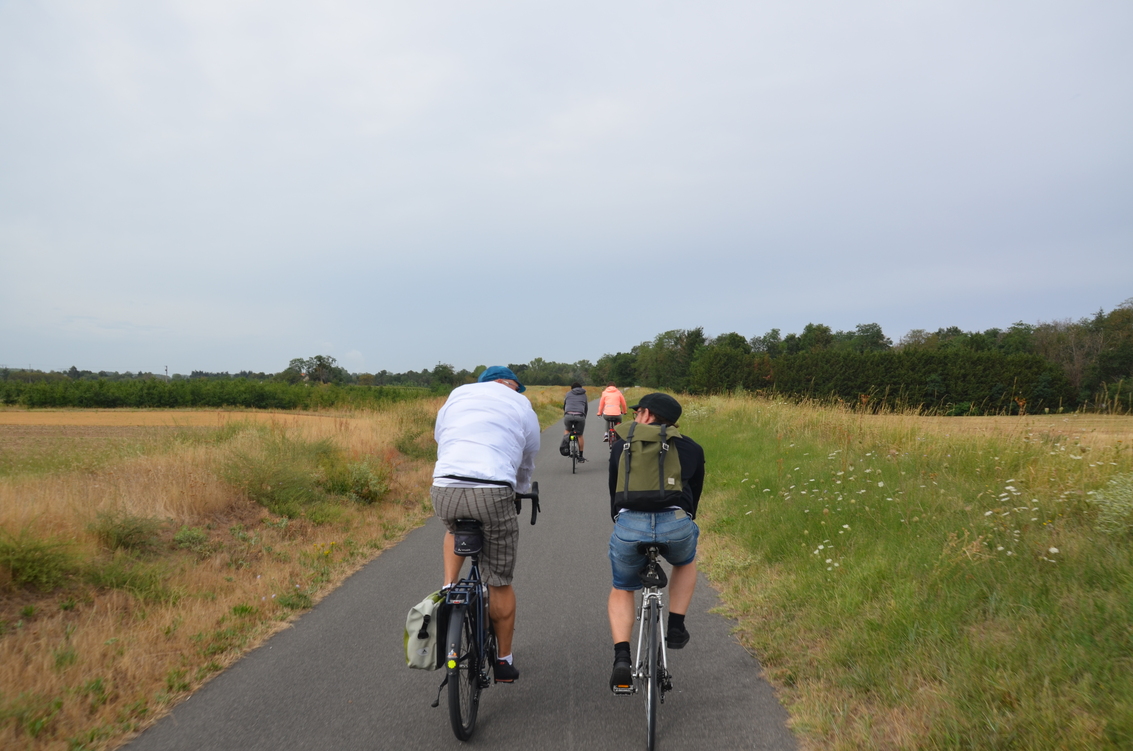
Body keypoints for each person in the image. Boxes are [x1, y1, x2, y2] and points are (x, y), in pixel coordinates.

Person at [432, 365, 541, 683]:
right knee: (500, 582)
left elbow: (442, 436)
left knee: (453, 529)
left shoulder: (457, 394)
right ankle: (504, 661)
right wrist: (520, 490)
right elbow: (528, 454)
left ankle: (449, 588)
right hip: (492, 489)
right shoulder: (520, 403)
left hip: (444, 486)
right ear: (511, 384)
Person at [606, 392, 705, 692]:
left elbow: (614, 488)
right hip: (675, 524)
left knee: (622, 587)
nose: (635, 417)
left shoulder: (621, 444)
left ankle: (622, 657)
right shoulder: (690, 447)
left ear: (647, 414)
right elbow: (695, 493)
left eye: (638, 412)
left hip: (630, 525)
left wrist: (620, 518)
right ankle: (675, 625)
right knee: (685, 562)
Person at [562, 381, 589, 462]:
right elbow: (586, 408)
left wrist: (566, 413)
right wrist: (584, 416)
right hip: (580, 416)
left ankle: (566, 447)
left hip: (568, 415)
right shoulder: (584, 395)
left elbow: (564, 406)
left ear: (572, 388)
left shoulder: (568, 394)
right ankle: (581, 456)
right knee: (580, 435)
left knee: (567, 430)